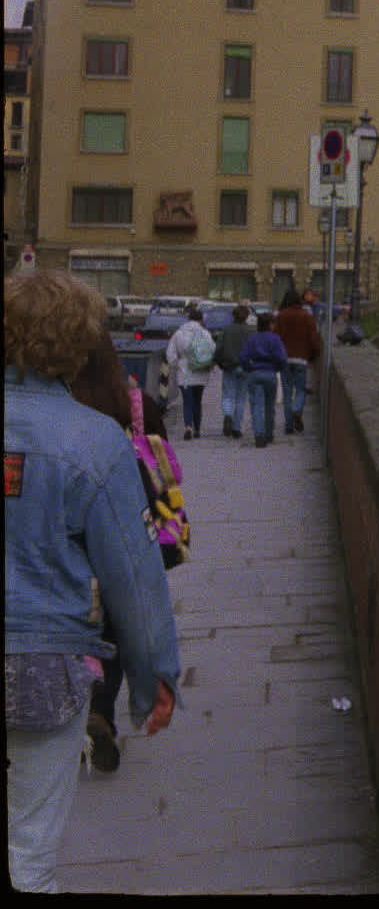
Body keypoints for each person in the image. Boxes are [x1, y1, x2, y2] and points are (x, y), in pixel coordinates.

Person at [6, 270, 180, 891]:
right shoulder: (95, 441)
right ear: (78, 344)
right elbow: (133, 577)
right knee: (29, 852)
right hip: (42, 665)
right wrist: (153, 676)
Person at [63, 338, 176, 774]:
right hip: (125, 532)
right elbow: (163, 467)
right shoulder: (136, 404)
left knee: (76, 625)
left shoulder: (62, 407)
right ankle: (101, 714)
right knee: (114, 628)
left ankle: (70, 715)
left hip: (70, 538)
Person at [272, 291, 322, 437]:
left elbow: (275, 338)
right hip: (301, 358)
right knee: (300, 389)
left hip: (284, 359)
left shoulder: (280, 316)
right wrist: (313, 357)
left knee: (287, 393)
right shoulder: (307, 317)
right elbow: (314, 340)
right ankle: (297, 410)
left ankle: (288, 425)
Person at [239, 313, 289, 449]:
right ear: (269, 325)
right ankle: (268, 433)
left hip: (254, 373)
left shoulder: (251, 338)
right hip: (270, 373)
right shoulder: (275, 339)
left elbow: (243, 357)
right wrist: (277, 368)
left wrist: (249, 368)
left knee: (256, 406)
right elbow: (282, 358)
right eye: (273, 324)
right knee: (269, 406)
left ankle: (259, 434)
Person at [164, 305, 212, 441]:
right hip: (200, 372)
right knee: (198, 401)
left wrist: (177, 365)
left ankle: (188, 427)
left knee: (187, 401)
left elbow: (170, 355)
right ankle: (197, 429)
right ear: (201, 320)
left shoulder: (179, 334)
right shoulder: (205, 334)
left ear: (188, 319)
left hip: (184, 374)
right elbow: (212, 350)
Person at [212, 302, 254, 440]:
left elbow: (218, 349)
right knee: (241, 398)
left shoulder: (226, 330)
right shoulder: (251, 331)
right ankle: (236, 428)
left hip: (229, 366)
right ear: (247, 316)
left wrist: (218, 362)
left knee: (228, 395)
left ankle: (228, 415)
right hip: (246, 366)